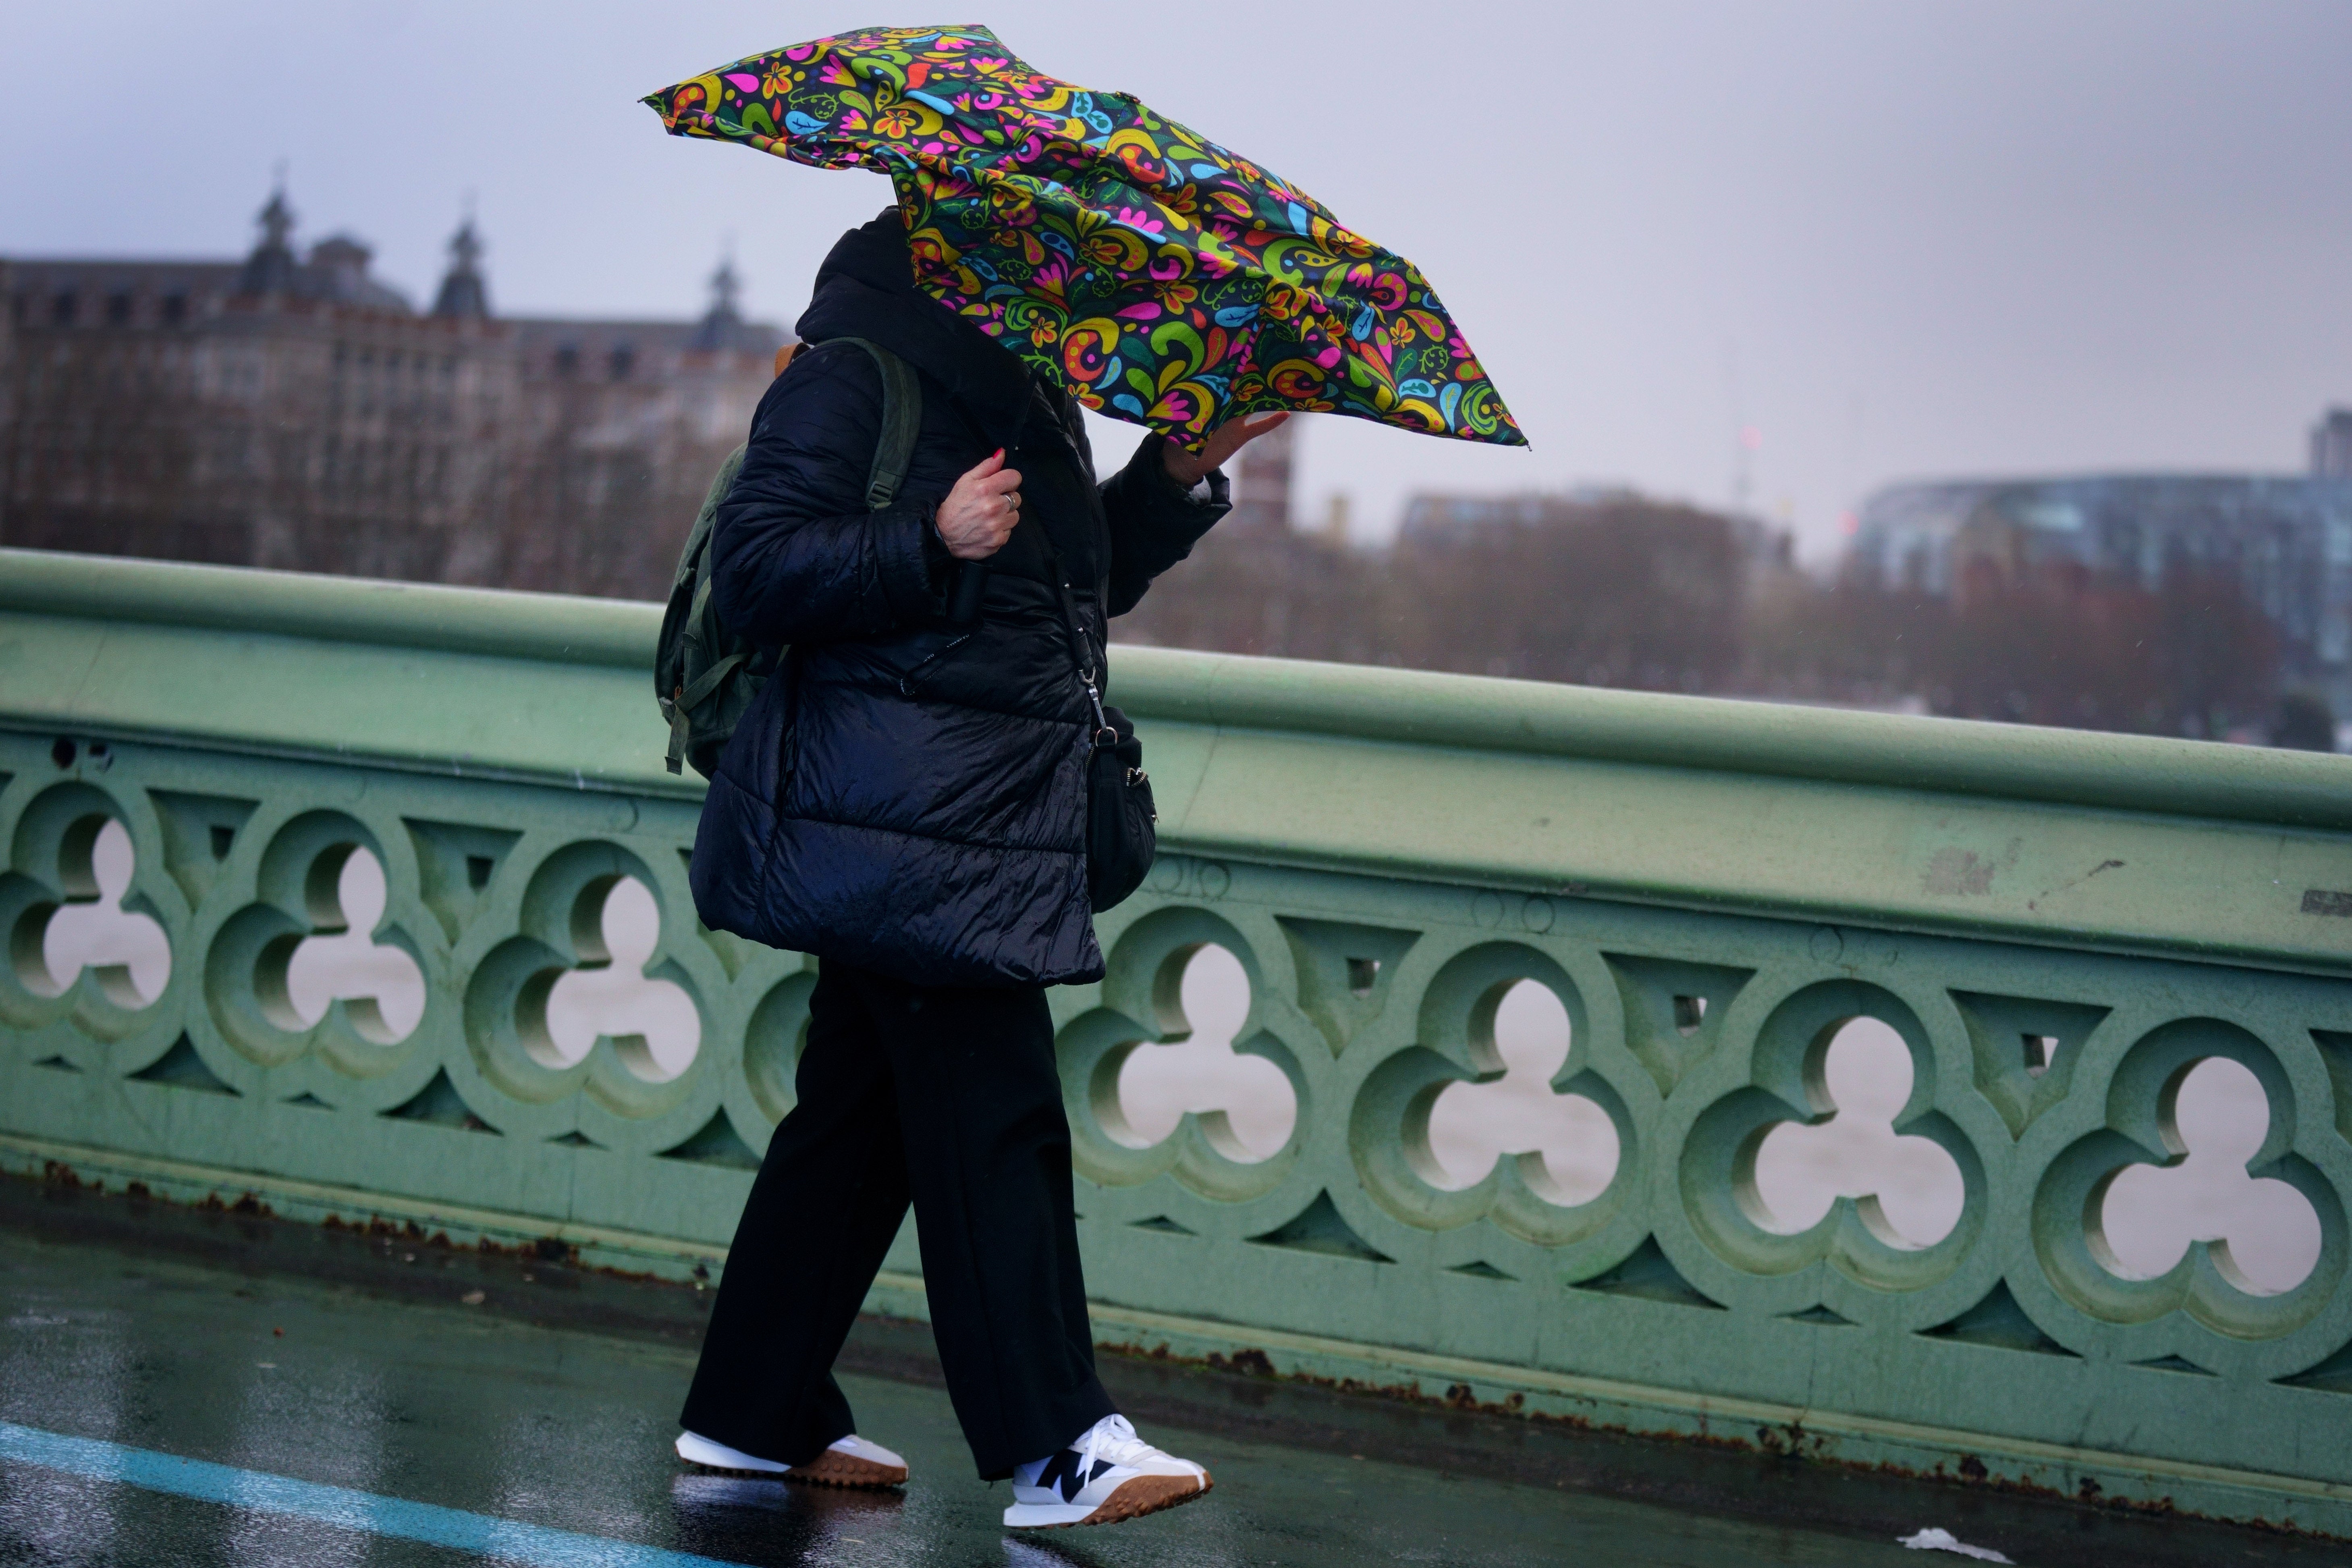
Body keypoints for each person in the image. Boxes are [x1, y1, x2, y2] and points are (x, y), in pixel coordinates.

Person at [671, 208, 1286, 1530]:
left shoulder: (1025, 386)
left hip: (975, 809)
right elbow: (760, 565)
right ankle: (1057, 1446)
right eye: (1046, 261)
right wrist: (927, 538)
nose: (1074, 284)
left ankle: (749, 1407)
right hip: (904, 818)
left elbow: (1067, 584)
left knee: (858, 1120)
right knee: (995, 1116)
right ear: (957, 253)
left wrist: (1173, 474)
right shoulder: (855, 370)